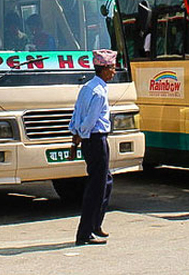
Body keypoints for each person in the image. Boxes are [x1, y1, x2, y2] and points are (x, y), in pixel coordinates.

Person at [69, 49, 116, 246]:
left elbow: (76, 114)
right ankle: (85, 232)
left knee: (106, 181)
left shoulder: (88, 87)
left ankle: (95, 224)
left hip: (89, 139)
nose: (114, 72)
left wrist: (75, 137)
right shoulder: (98, 92)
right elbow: (89, 120)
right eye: (112, 68)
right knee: (96, 187)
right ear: (104, 69)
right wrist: (79, 135)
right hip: (95, 139)